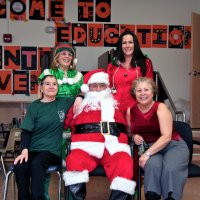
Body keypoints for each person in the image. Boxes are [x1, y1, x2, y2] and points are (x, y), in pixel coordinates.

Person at [63, 69, 136, 200]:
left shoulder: (117, 103)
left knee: (124, 163)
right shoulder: (79, 105)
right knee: (74, 161)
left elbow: (135, 117)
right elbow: (64, 123)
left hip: (113, 147)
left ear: (107, 87)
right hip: (84, 148)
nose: (98, 89)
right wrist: (78, 98)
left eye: (101, 85)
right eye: (94, 86)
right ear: (87, 88)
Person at [127, 77, 189, 200]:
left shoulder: (160, 107)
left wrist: (146, 154)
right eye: (139, 90)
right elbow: (130, 132)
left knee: (170, 168)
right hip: (151, 148)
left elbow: (166, 136)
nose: (143, 93)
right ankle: (152, 196)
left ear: (153, 92)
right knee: (152, 166)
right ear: (134, 93)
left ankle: (170, 197)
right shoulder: (131, 111)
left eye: (146, 90)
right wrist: (134, 136)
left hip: (172, 145)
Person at [13, 75, 74, 200]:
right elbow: (26, 131)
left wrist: (79, 97)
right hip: (32, 150)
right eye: (47, 84)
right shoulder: (35, 106)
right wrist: (24, 150)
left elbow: (83, 95)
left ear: (58, 87)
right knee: (20, 166)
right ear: (41, 87)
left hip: (52, 152)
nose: (51, 86)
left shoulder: (64, 102)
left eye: (54, 84)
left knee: (37, 164)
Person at [38, 42, 83, 200]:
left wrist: (79, 97)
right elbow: (42, 96)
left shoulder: (78, 77)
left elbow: (83, 93)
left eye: (70, 54)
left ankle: (71, 198)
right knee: (44, 159)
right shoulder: (48, 73)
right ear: (57, 57)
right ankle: (42, 197)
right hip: (52, 121)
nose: (67, 56)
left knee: (71, 162)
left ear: (73, 59)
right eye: (63, 53)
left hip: (72, 122)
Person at [107, 30, 154, 114]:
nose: (127, 45)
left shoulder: (145, 62)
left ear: (135, 44)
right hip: (116, 111)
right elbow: (108, 89)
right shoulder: (112, 65)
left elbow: (149, 88)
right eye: (124, 43)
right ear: (120, 46)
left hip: (138, 110)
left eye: (130, 42)